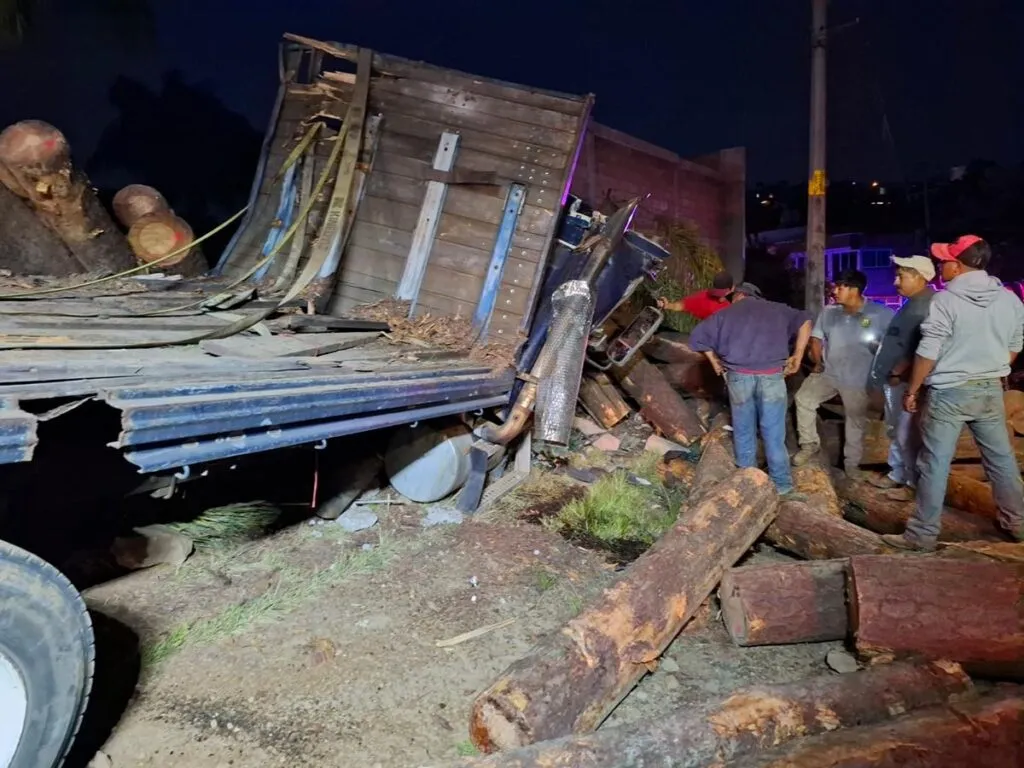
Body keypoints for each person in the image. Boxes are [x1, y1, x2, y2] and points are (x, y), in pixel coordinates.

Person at [883, 236, 1024, 551]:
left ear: (957, 266)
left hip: (948, 392)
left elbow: (928, 351)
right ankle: (1018, 525)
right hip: (990, 389)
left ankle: (921, 537)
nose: (940, 265)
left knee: (934, 463)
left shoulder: (945, 302)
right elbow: (1016, 344)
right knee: (1001, 462)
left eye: (944, 260)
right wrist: (991, 367)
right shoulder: (1009, 299)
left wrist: (915, 389)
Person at [688, 282, 813, 499]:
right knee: (774, 434)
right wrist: (798, 355)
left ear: (738, 296)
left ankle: (748, 485)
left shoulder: (725, 314)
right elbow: (806, 321)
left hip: (739, 378)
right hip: (772, 377)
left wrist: (715, 362)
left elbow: (697, 339)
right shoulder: (777, 309)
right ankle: (782, 487)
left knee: (744, 431)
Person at [793, 269, 895, 479]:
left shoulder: (881, 314)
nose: (835, 291)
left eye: (841, 287)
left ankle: (852, 467)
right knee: (803, 399)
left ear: (855, 290)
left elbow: (895, 345)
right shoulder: (829, 313)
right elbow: (816, 338)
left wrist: (884, 364)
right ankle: (809, 445)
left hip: (859, 378)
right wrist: (817, 361)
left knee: (854, 421)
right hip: (830, 372)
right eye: (836, 286)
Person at [866, 255, 936, 500]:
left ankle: (912, 483)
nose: (896, 282)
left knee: (907, 432)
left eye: (901, 276)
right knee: (897, 428)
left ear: (919, 277)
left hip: (906, 382)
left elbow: (922, 348)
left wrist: (898, 371)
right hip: (897, 379)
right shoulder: (913, 303)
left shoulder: (926, 306)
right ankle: (898, 473)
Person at [657, 270, 734, 320]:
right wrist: (668, 305)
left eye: (723, 295)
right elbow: (681, 305)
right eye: (717, 294)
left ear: (732, 289)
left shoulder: (738, 298)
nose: (720, 298)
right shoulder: (704, 298)